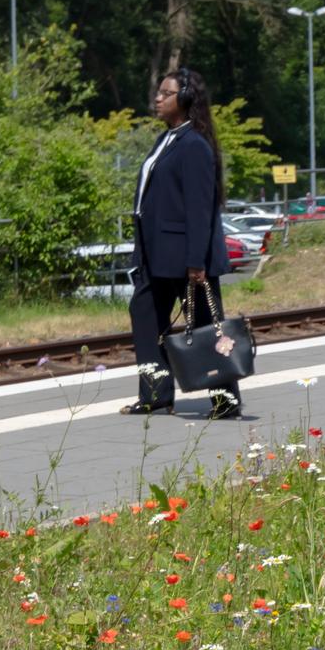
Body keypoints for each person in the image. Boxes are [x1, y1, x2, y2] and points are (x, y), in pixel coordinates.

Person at [124, 69, 232, 417]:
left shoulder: (195, 146)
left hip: (186, 258)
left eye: (165, 93)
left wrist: (196, 261)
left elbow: (200, 210)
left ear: (185, 100)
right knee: (144, 313)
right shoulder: (165, 140)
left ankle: (225, 400)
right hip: (156, 255)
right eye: (158, 92)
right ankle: (155, 394)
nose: (157, 98)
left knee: (205, 326)